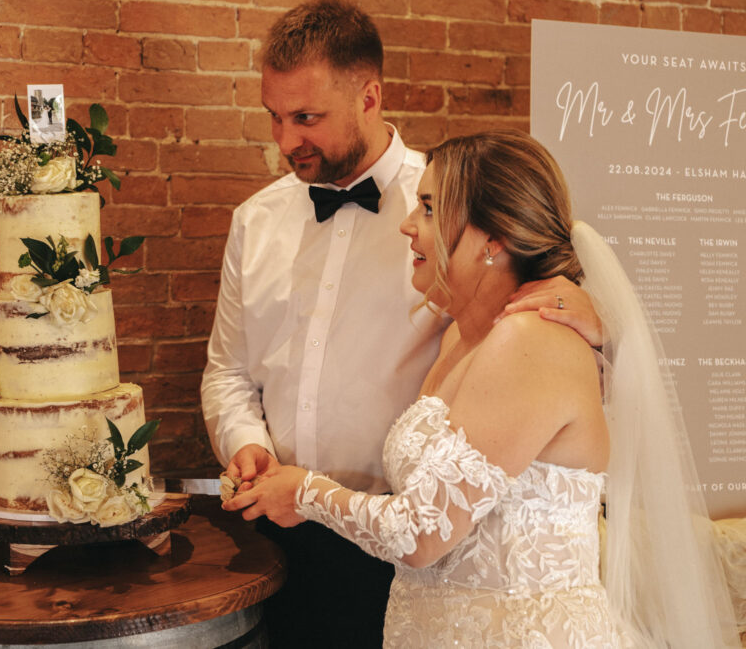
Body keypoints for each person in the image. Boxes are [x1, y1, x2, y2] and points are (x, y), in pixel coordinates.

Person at [223, 129, 740, 647]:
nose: (407, 226)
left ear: (492, 240)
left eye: (428, 208)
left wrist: (306, 493)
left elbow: (422, 533)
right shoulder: (458, 338)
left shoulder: (531, 341)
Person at [201, 0, 601, 647]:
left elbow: (540, 319)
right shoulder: (256, 220)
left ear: (369, 95)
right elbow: (228, 370)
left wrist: (593, 316)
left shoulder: (453, 211)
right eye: (274, 117)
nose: (284, 140)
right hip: (276, 532)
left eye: (306, 117)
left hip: (404, 541)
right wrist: (247, 443)